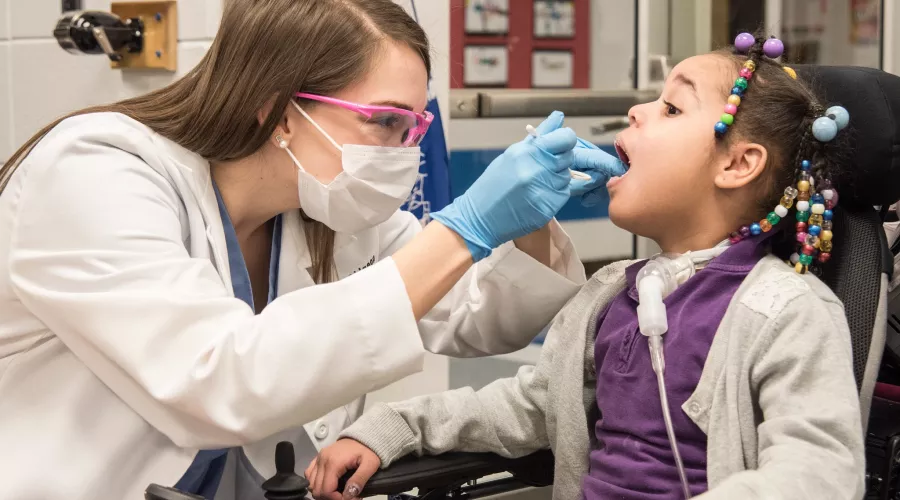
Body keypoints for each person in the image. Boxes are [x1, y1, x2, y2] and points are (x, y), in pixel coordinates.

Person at [0, 1, 625, 499]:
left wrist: (532, 219)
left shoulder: (326, 204)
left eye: (414, 126)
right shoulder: (95, 171)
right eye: (385, 121)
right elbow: (221, 383)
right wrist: (463, 229)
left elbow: (482, 319)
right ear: (279, 111)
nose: (404, 149)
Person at [309, 33, 866, 500]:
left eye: (671, 107)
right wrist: (399, 427)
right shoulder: (611, 298)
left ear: (739, 164)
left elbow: (818, 474)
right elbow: (531, 405)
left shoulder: (788, 312)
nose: (636, 111)